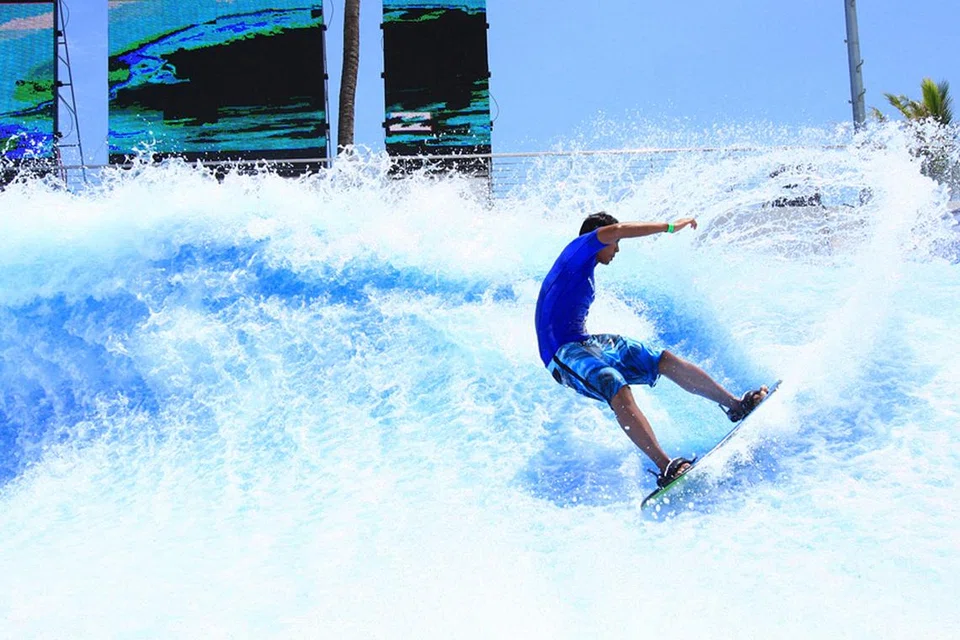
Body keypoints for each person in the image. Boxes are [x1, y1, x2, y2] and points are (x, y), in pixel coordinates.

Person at [535, 212, 768, 487]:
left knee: (663, 359)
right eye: (615, 242)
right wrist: (671, 227)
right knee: (615, 385)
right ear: (600, 237)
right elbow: (617, 229)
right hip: (561, 353)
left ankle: (736, 406)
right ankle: (665, 467)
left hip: (586, 343)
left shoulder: (586, 268)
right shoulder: (578, 250)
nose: (618, 248)